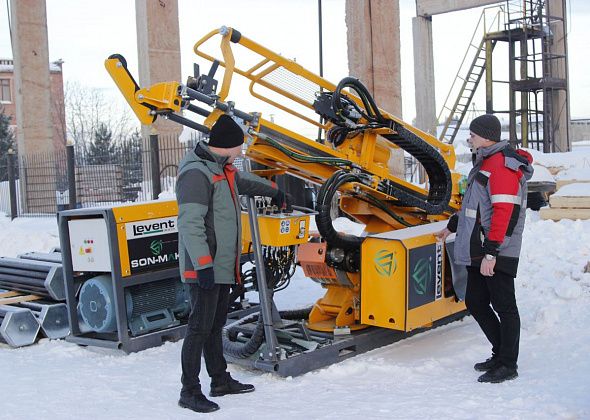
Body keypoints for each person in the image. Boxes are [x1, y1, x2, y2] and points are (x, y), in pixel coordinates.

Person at [175, 114, 290, 413]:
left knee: (215, 326)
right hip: (204, 266)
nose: (242, 150)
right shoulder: (196, 174)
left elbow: (246, 182)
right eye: (240, 145)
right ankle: (189, 391)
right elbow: (190, 224)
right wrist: (202, 266)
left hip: (222, 265)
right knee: (199, 328)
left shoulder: (222, 169)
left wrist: (276, 192)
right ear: (227, 146)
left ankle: (220, 380)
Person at [435, 114, 533, 384]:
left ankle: (508, 363)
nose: (470, 138)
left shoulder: (501, 166)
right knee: (476, 301)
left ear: (487, 136)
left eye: (473, 134)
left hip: (496, 249)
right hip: (480, 247)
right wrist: (452, 226)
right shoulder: (484, 163)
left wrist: (492, 252)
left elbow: (505, 212)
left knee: (505, 306)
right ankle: (500, 353)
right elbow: (473, 204)